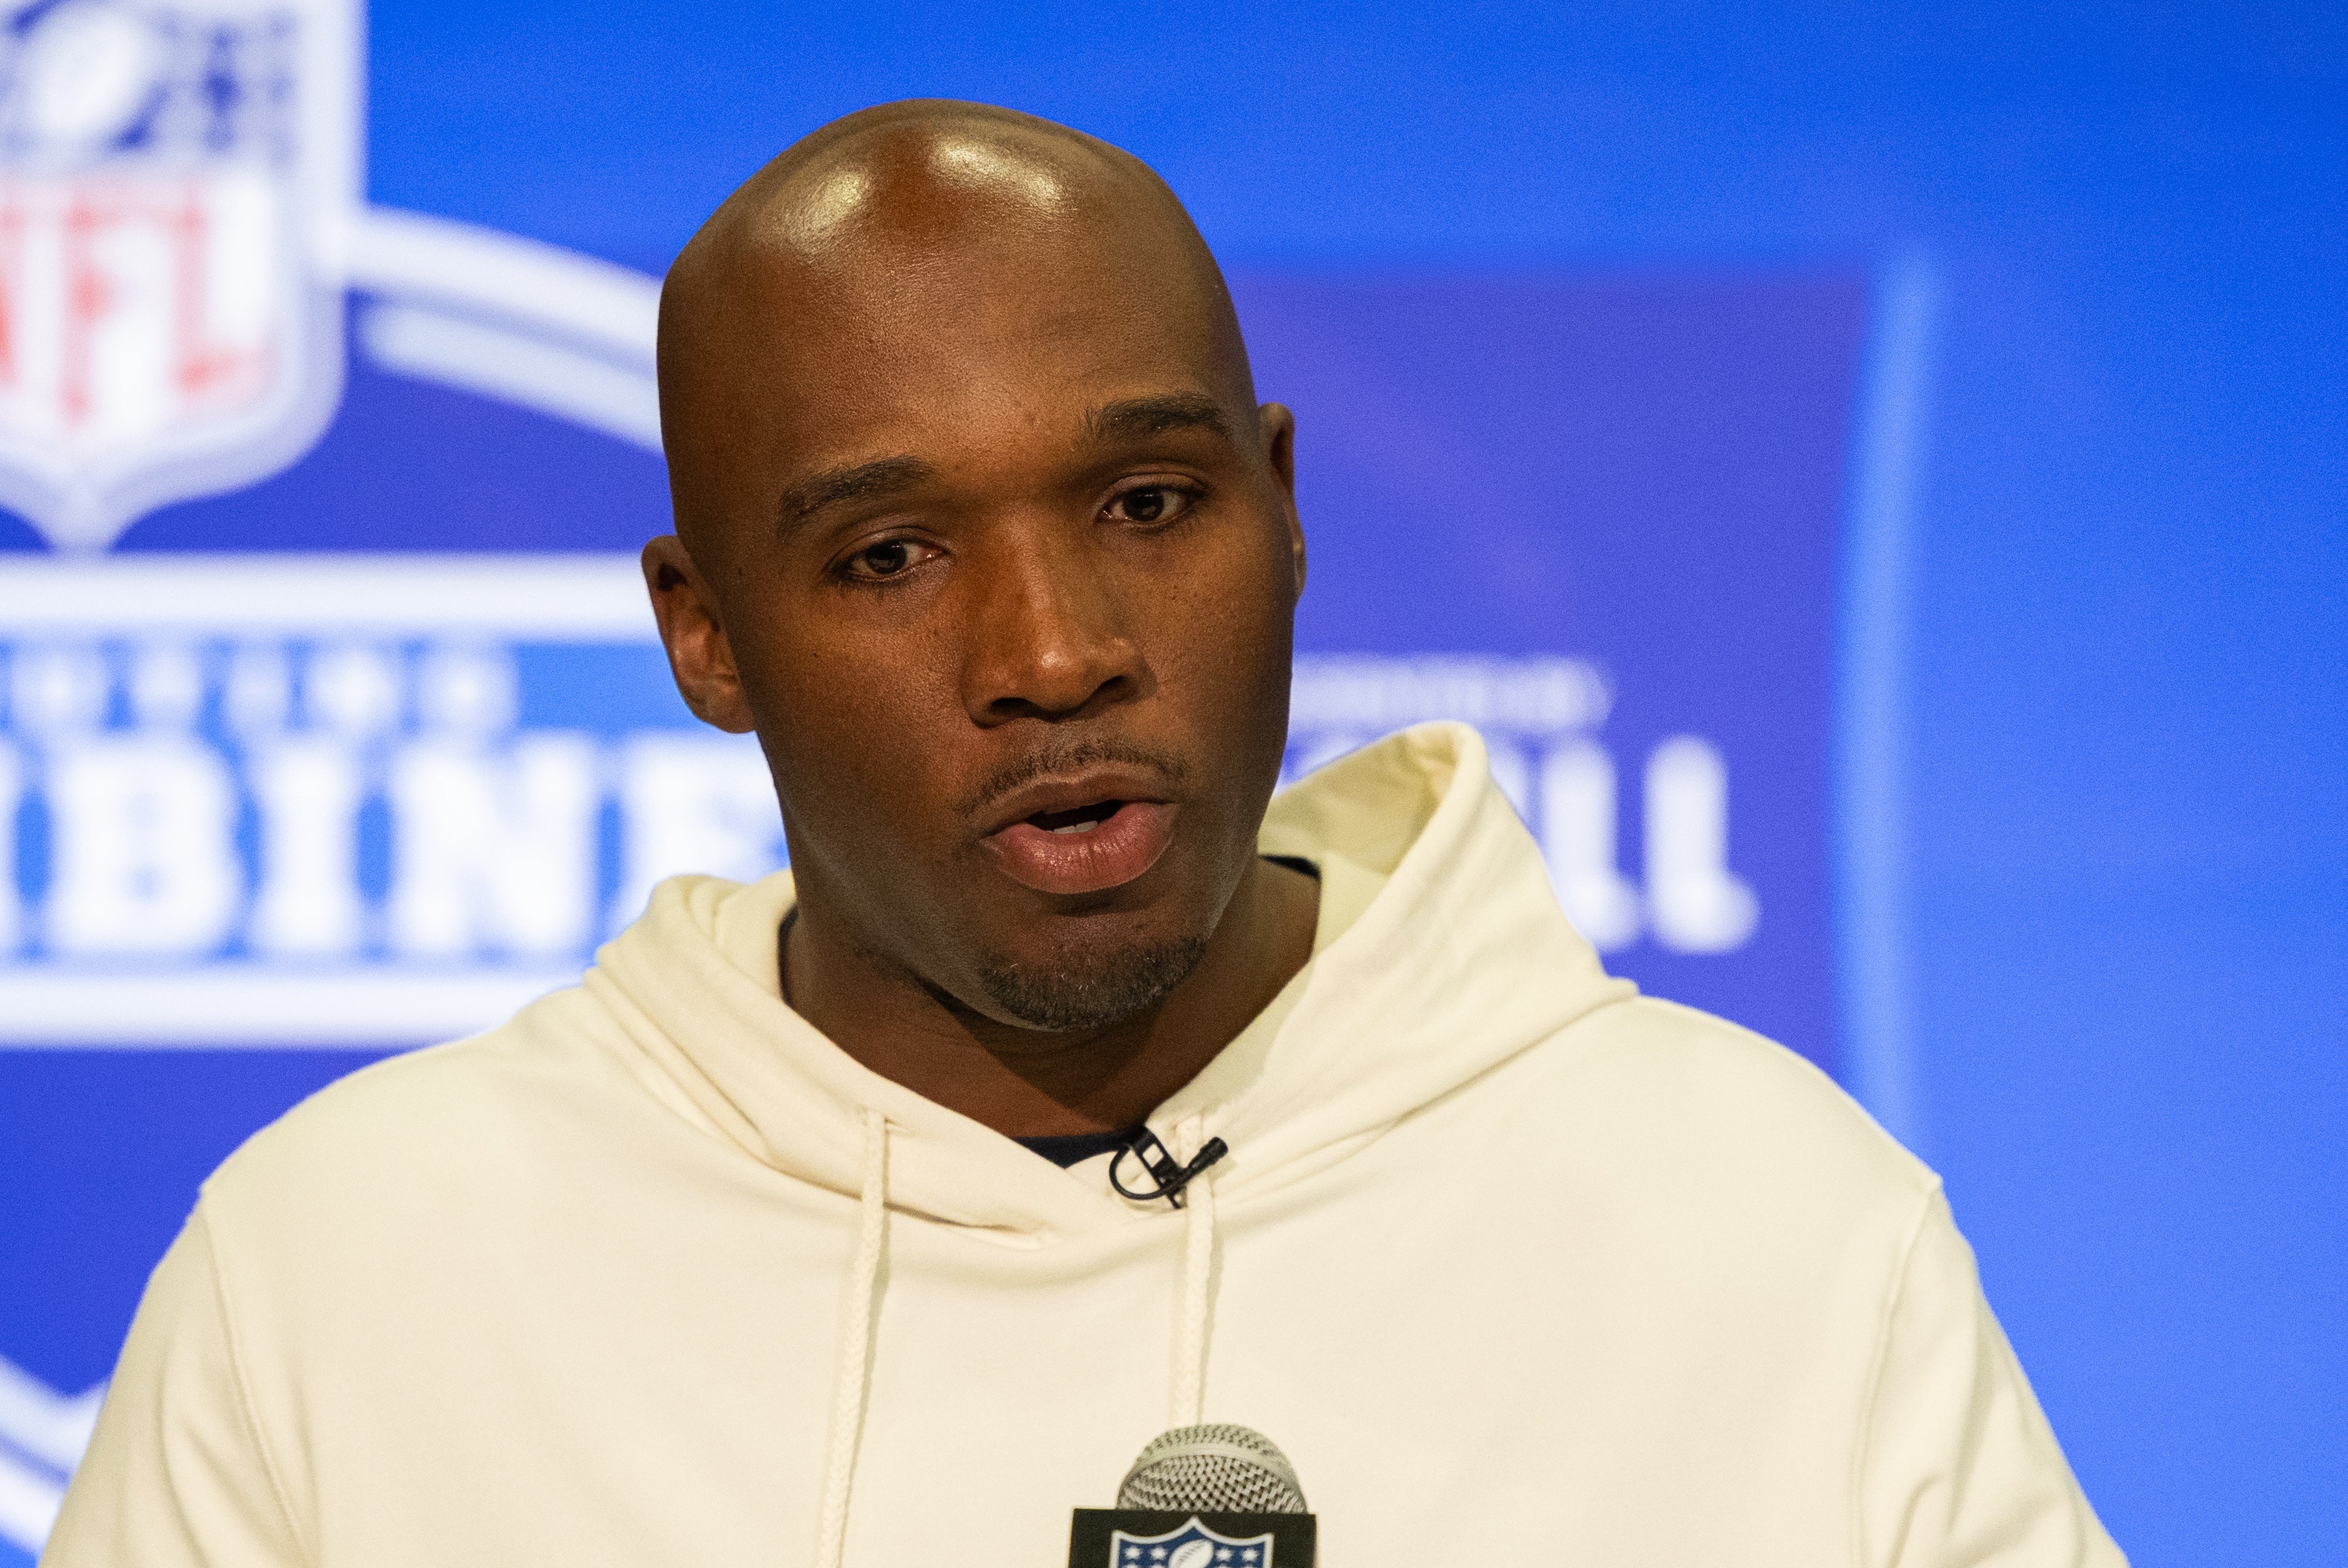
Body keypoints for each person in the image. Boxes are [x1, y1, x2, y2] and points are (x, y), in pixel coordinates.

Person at [46, 101, 2124, 1567]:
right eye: (890, 553)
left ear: (1283, 507)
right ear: (708, 637)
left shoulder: (1764, 1227)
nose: (1053, 654)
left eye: (1146, 505)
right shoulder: (347, 1275)